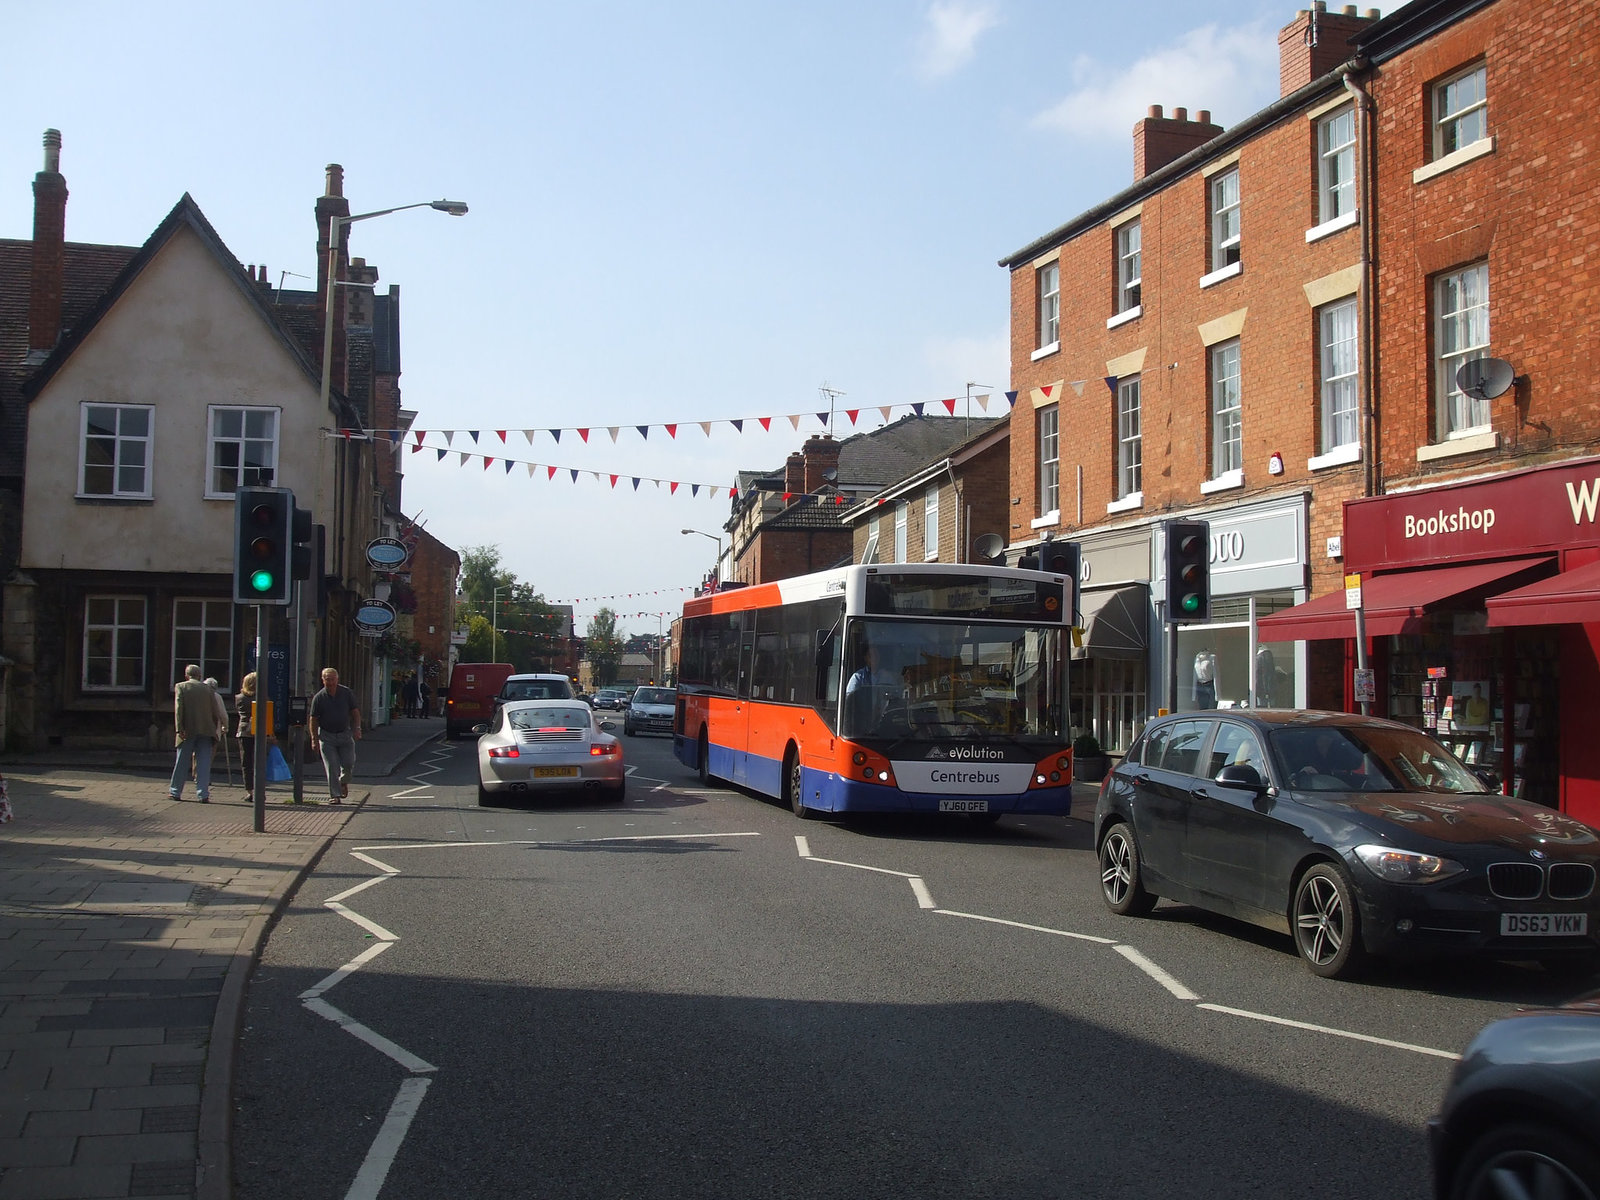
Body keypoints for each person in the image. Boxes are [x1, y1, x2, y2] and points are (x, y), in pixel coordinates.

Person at [308, 666, 362, 804]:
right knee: (332, 766)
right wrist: (314, 739)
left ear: (337, 679)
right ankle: (335, 795)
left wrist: (357, 728)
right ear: (323, 680)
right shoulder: (319, 698)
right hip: (327, 736)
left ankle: (343, 781)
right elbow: (313, 719)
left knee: (349, 763)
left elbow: (355, 712)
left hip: (345, 734)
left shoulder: (346, 693)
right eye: (327, 680)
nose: (330, 683)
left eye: (332, 679)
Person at [169, 665, 218, 802]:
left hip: (188, 729)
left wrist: (179, 728)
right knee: (203, 763)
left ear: (186, 676)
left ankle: (175, 791)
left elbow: (179, 708)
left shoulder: (181, 687)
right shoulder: (208, 689)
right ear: (200, 676)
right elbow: (215, 711)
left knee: (182, 762)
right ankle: (203, 794)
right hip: (207, 729)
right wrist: (214, 728)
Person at [235, 671, 264, 802]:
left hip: (244, 731)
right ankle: (260, 790)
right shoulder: (263, 698)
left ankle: (249, 791)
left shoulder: (239, 698)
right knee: (259, 762)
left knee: (246, 762)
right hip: (260, 731)